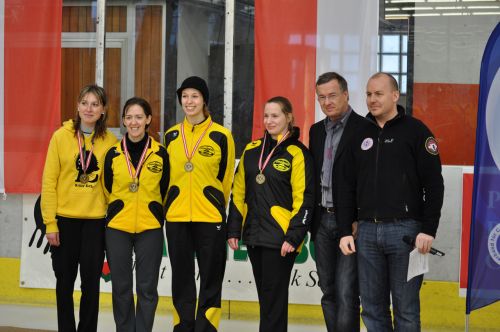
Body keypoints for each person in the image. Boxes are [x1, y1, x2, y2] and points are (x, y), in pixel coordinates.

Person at [338, 72, 444, 332]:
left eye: (379, 94)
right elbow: (345, 185)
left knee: (406, 311)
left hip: (406, 233)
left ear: (395, 95)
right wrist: (344, 230)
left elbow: (434, 185)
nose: (372, 100)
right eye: (369, 94)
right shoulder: (357, 132)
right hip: (367, 232)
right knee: (372, 311)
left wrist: (428, 229)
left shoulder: (417, 132)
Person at [227, 96, 314, 332]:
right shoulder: (252, 149)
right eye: (266, 116)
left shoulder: (297, 153)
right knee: (266, 300)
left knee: (274, 300)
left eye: (275, 115)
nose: (269, 120)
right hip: (255, 236)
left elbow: (305, 198)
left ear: (288, 117)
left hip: (281, 239)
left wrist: (294, 236)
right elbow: (239, 191)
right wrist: (234, 228)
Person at [41, 84, 117, 331]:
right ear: (77, 106)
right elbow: (49, 182)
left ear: (103, 110)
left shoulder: (110, 142)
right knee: (64, 284)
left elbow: (113, 185)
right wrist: (50, 223)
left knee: (91, 286)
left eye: (95, 104)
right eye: (85, 103)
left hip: (95, 224)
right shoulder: (60, 137)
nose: (89, 108)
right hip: (64, 222)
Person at [163, 76, 235, 332]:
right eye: (185, 96)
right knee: (181, 278)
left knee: (211, 278)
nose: (189, 101)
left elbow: (226, 179)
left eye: (194, 96)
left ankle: (207, 327)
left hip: (210, 218)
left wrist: (216, 206)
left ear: (204, 100)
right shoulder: (171, 135)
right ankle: (183, 326)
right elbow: (165, 178)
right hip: (177, 217)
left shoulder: (221, 136)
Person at [103, 97, 169, 331]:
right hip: (117, 228)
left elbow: (165, 189)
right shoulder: (112, 154)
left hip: (149, 228)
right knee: (121, 287)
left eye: (139, 117)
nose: (134, 122)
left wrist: (155, 214)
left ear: (148, 120)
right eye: (129, 117)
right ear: (123, 121)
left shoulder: (161, 154)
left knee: (147, 287)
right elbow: (107, 188)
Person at [308, 72, 363, 331]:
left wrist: (356, 218)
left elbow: (366, 181)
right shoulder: (316, 131)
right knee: (327, 290)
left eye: (332, 95)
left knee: (346, 292)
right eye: (321, 97)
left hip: (349, 225)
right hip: (321, 221)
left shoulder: (365, 129)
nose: (327, 102)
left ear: (346, 94)